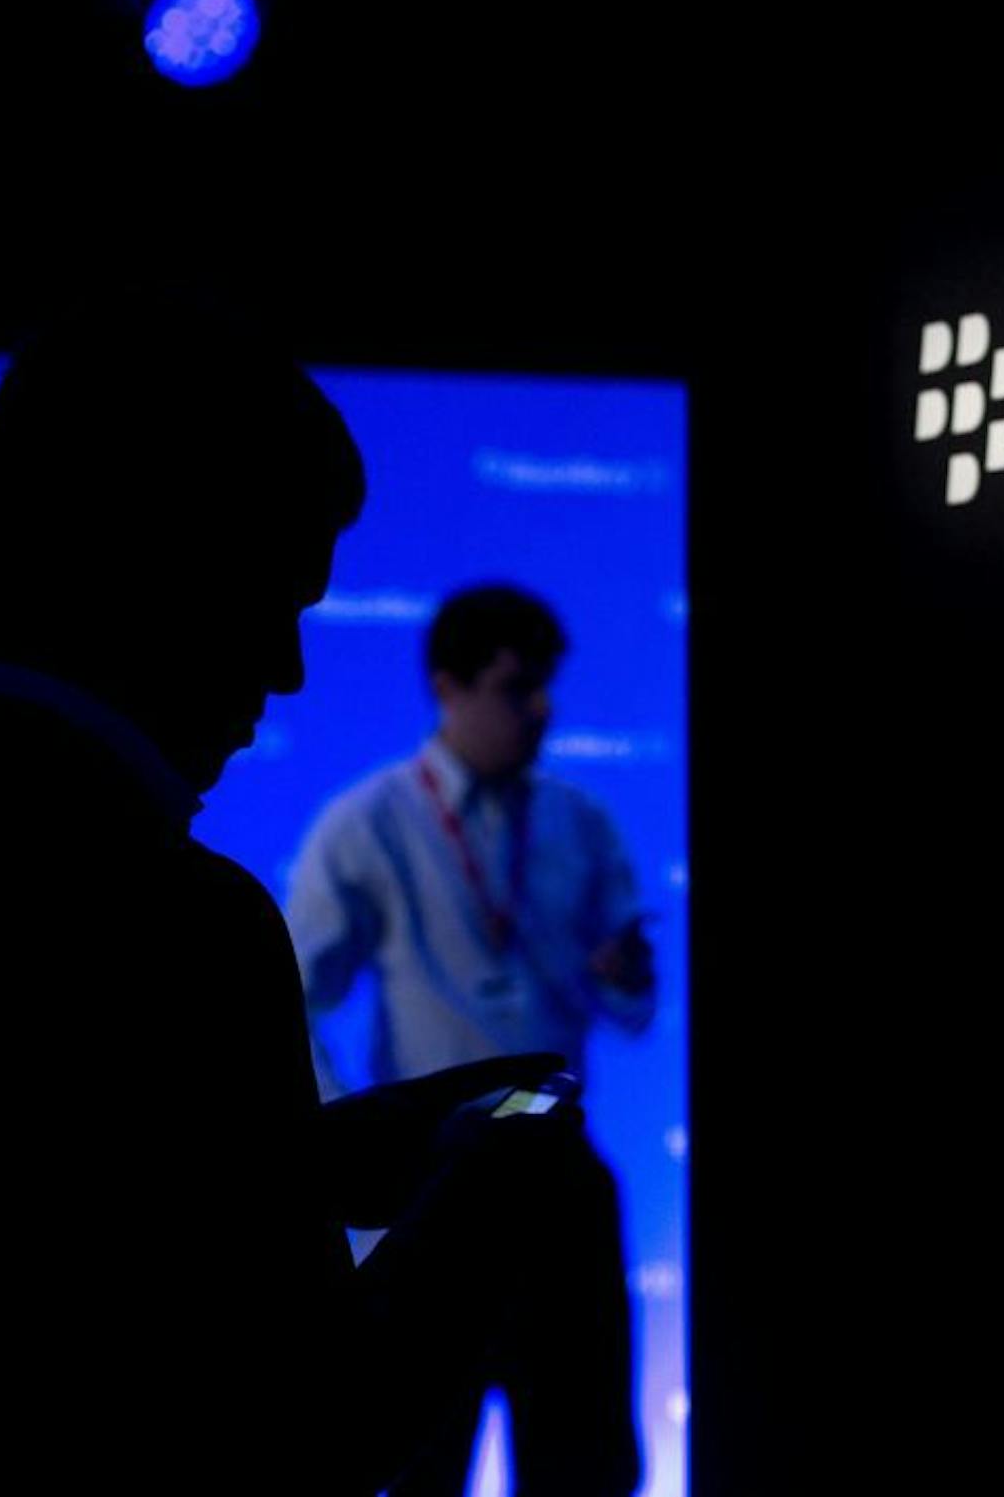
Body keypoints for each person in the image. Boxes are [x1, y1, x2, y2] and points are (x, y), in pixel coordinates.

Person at [0, 292, 602, 1497]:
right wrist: (497, 1190)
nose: (287, 672)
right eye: (275, 603)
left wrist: (298, 1159)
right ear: (160, 561)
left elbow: (36, 1218)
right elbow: (310, 1434)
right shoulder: (184, 928)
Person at [286, 585, 654, 1496]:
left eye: (547, 689)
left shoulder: (581, 821)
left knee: (586, 1464)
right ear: (448, 686)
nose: (542, 710)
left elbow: (637, 1011)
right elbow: (295, 988)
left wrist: (626, 978)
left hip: (563, 1177)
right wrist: (352, 1135)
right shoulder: (367, 823)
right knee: (418, 1461)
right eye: (518, 687)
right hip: (436, 1186)